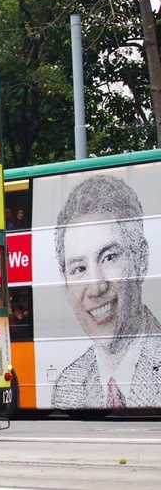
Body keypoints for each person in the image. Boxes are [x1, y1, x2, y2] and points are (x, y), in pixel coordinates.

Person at [51, 175, 161, 409]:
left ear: (141, 260)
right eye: (79, 268)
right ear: (65, 281)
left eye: (109, 257)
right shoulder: (68, 385)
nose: (96, 287)